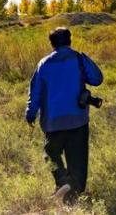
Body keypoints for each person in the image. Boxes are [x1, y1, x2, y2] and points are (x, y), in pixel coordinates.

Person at [25, 27, 103, 202]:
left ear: (52, 44)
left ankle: (62, 180)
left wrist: (30, 115)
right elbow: (97, 79)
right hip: (78, 120)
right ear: (69, 41)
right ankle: (74, 196)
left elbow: (35, 92)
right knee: (79, 162)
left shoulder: (43, 64)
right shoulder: (78, 59)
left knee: (49, 153)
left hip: (53, 123)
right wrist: (84, 58)